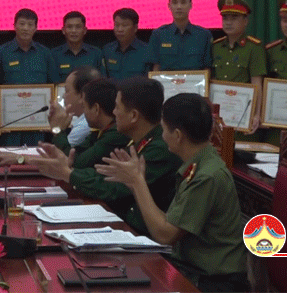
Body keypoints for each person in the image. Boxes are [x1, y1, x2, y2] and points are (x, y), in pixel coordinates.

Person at [96, 93, 249, 292]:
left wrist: (138, 182)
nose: (162, 135)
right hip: (191, 270)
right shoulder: (199, 163)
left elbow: (165, 234)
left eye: (163, 129)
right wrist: (134, 184)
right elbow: (170, 223)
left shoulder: (206, 176)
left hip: (213, 282)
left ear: (177, 135)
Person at [26, 77, 181, 235]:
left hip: (142, 233)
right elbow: (101, 172)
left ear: (134, 116)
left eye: (117, 107)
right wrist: (68, 171)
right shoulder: (137, 141)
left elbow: (113, 187)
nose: (114, 112)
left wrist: (68, 174)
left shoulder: (158, 149)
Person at [0, 9, 59, 145]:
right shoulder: (1, 52)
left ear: (36, 28)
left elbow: (54, 86)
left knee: (36, 155)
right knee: (8, 155)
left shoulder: (45, 53)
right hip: (9, 123)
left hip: (38, 122)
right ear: (14, 26)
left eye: (30, 25)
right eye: (22, 24)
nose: (25, 28)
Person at [210, 0, 266, 133]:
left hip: (244, 115)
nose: (228, 23)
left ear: (245, 21)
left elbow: (257, 83)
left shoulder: (254, 47)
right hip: (219, 117)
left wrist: (257, 114)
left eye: (234, 18)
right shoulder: (216, 47)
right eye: (225, 18)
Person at [148, 0, 212, 72]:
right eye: (174, 2)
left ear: (191, 5)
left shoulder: (203, 35)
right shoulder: (158, 35)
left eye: (183, 2)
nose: (179, 7)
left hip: (195, 81)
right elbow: (155, 68)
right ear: (169, 6)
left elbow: (207, 68)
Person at [51, 11, 104, 81]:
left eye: (78, 27)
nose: (73, 31)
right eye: (69, 27)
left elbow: (102, 81)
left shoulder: (96, 54)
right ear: (63, 30)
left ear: (84, 30)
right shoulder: (54, 55)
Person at [102, 8, 149, 80]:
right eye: (117, 25)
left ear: (135, 28)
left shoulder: (147, 51)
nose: (120, 29)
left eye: (124, 25)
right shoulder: (107, 50)